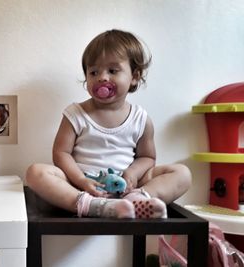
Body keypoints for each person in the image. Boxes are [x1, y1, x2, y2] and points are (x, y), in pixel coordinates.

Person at [25, 29, 192, 219]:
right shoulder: (75, 114)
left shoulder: (140, 119)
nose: (102, 78)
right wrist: (80, 180)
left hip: (128, 184)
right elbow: (61, 153)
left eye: (112, 71)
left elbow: (147, 157)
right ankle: (89, 205)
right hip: (81, 184)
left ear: (134, 76)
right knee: (36, 172)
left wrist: (133, 174)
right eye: (94, 72)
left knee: (182, 173)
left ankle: (137, 199)